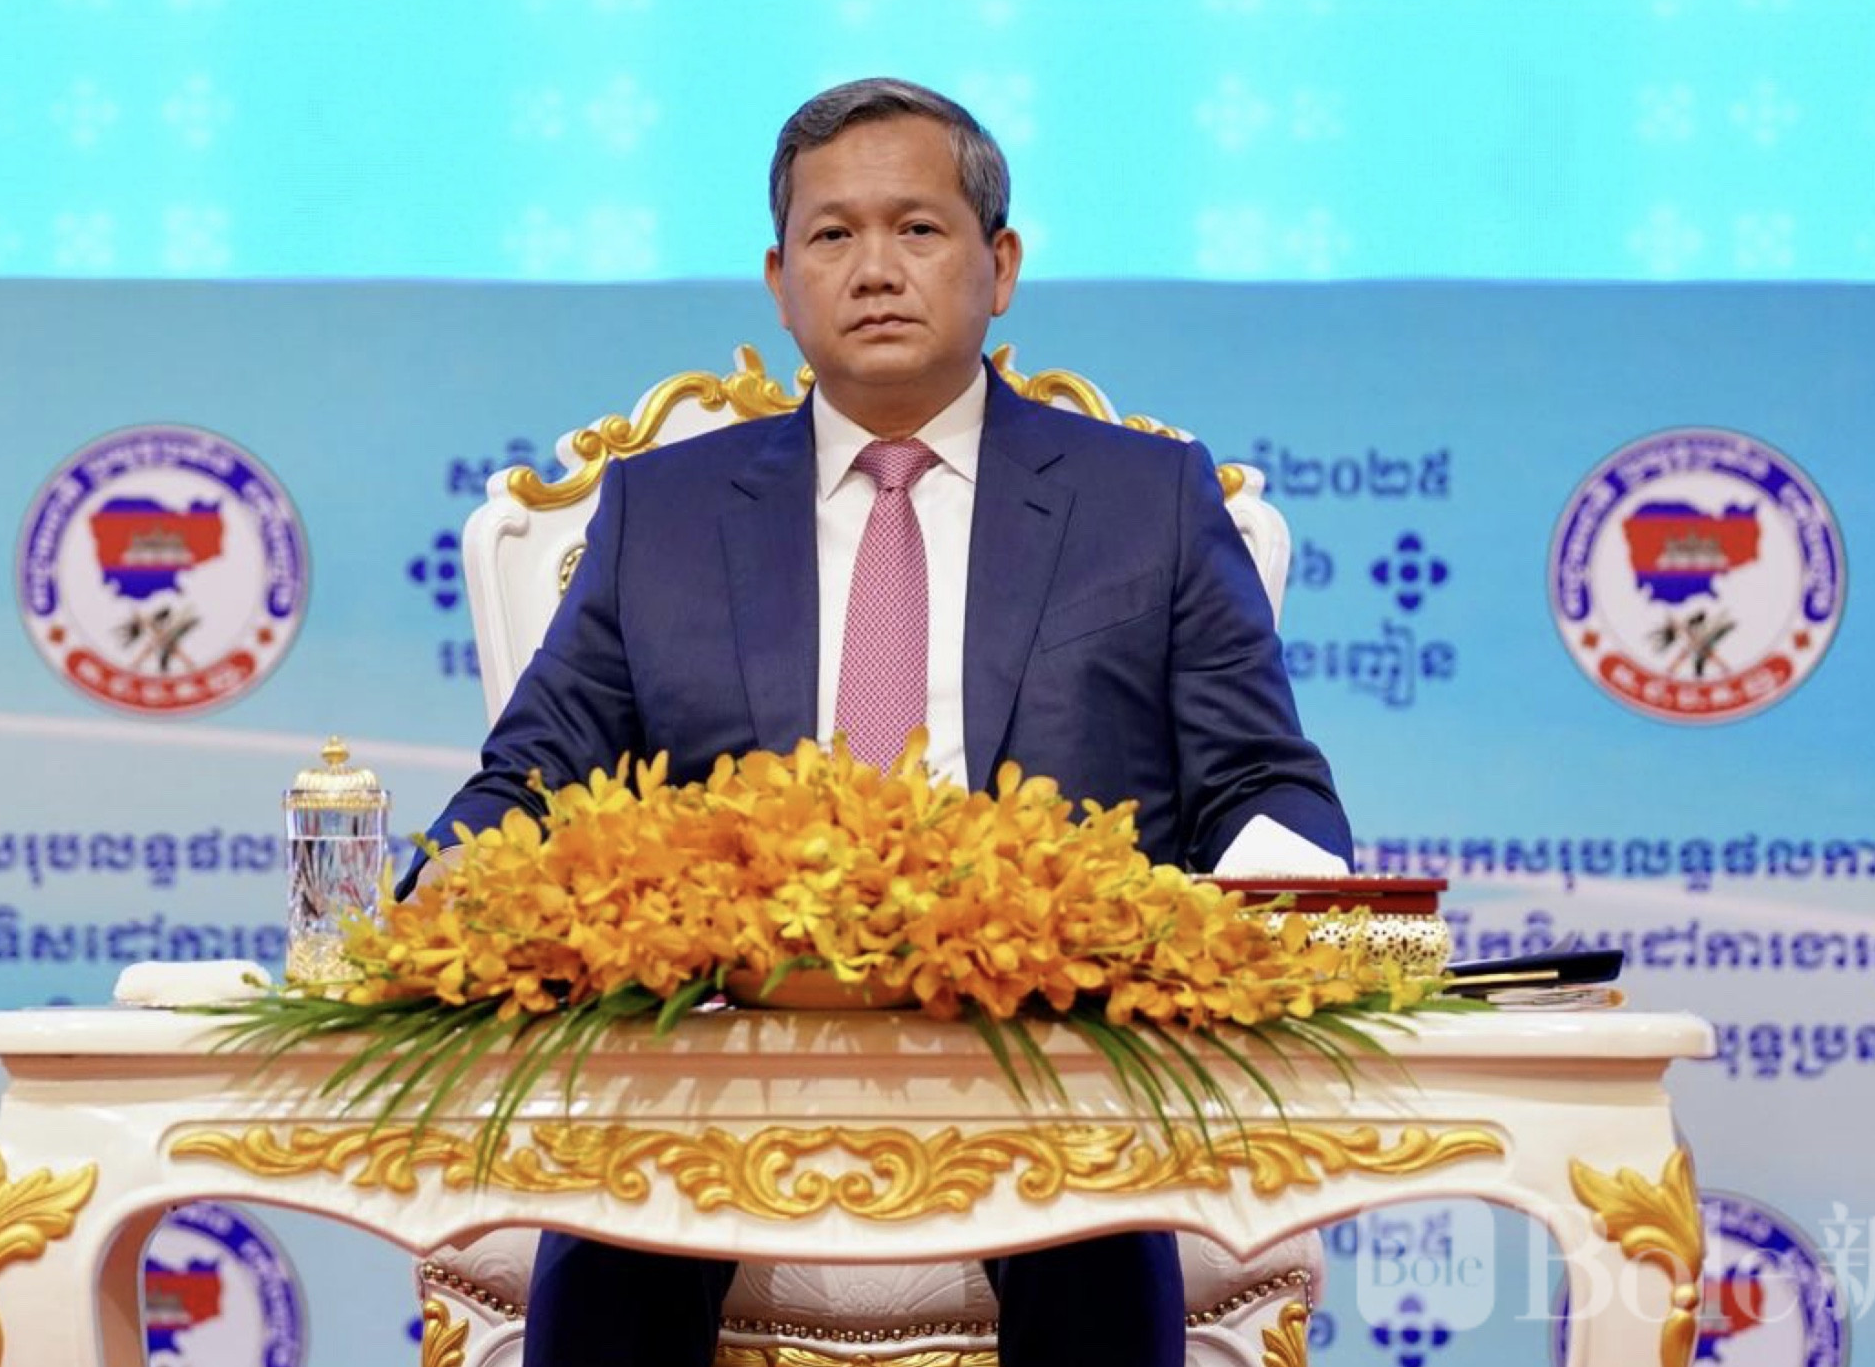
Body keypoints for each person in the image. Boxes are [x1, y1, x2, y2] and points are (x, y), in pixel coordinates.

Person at [415, 77, 1352, 1367]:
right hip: (713, 1050)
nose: (873, 270)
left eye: (917, 229)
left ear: (999, 266)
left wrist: (1263, 913)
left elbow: (1260, 780)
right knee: (612, 1212)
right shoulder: (661, 513)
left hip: (1051, 1045)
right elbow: (534, 774)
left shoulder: (1146, 500)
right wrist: (446, 885)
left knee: (1098, 1212)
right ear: (780, 281)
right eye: (831, 235)